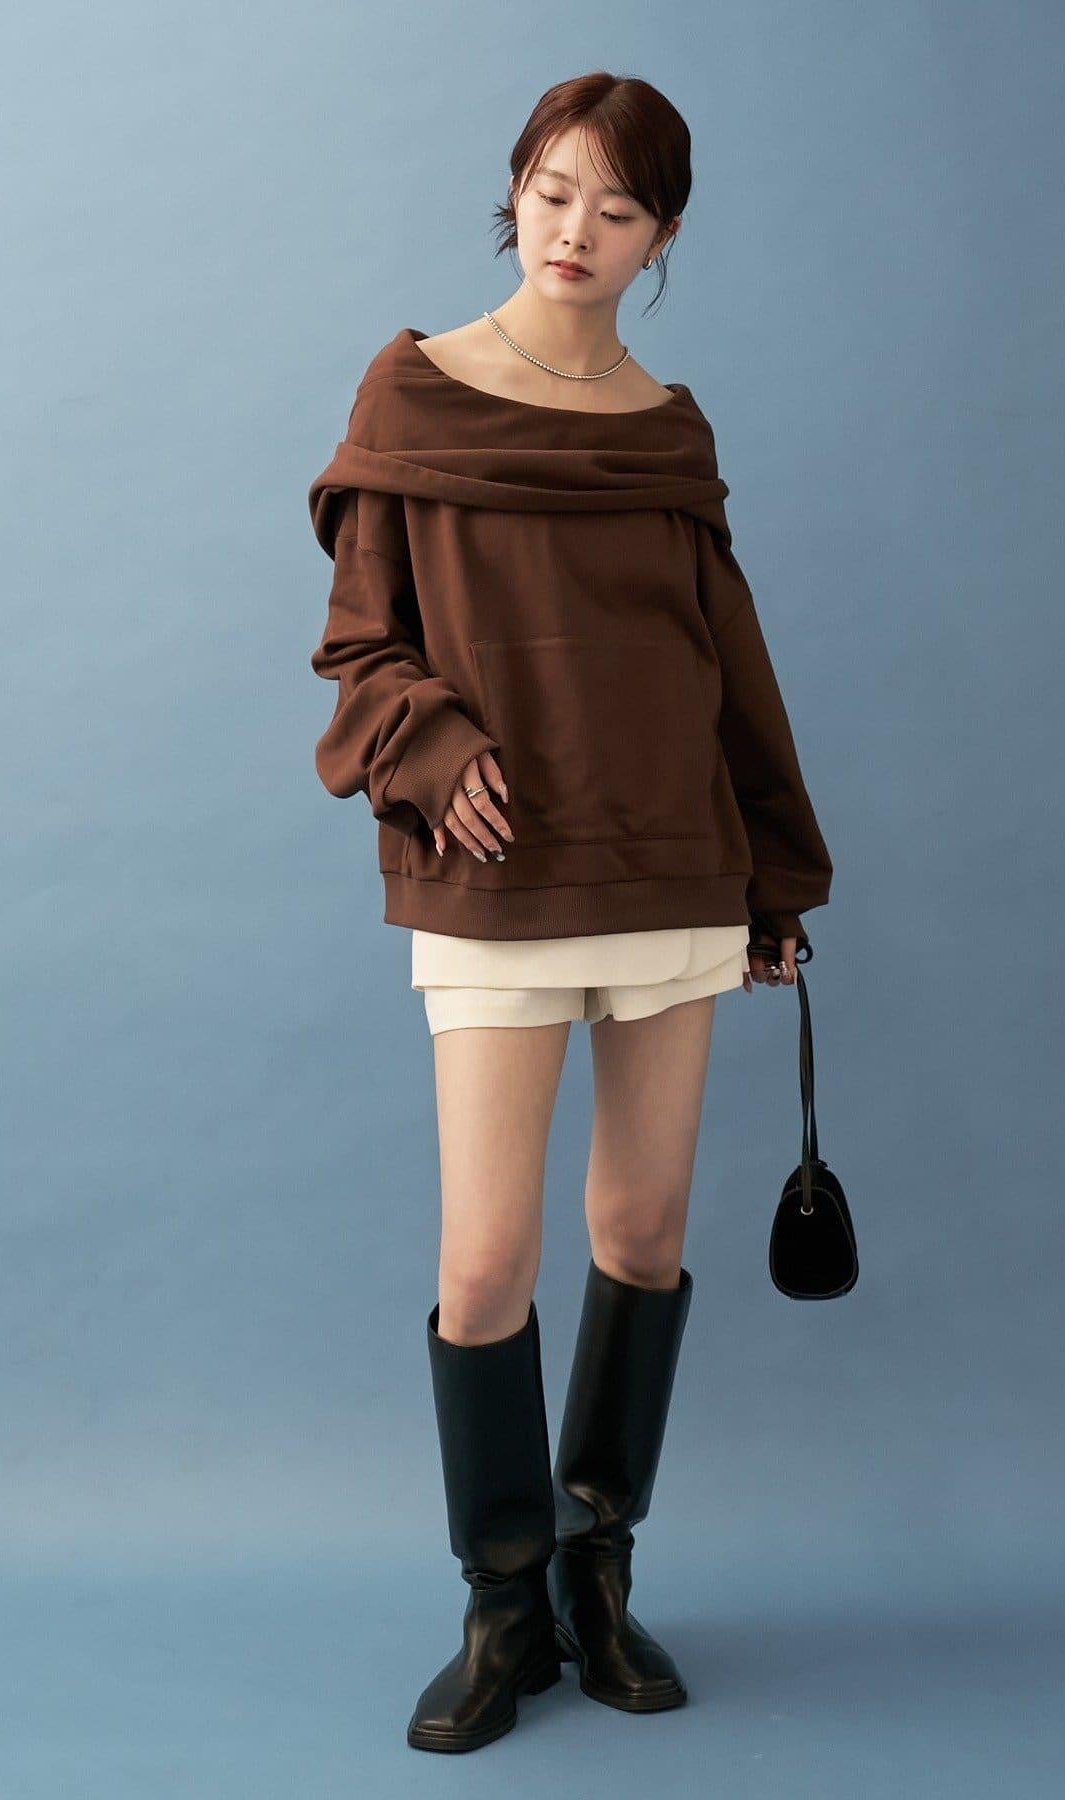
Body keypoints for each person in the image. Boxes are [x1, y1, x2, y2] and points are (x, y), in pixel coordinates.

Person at [305, 71, 833, 1753]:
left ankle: (600, 1574)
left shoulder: (669, 427)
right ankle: (502, 1600)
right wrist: (429, 741)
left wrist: (775, 876)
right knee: (484, 1262)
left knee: (643, 1234)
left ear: (662, 234)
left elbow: (728, 660)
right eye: (550, 193)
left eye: (615, 206)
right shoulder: (416, 391)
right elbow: (360, 645)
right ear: (513, 196)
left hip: (670, 861)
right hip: (496, 876)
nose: (574, 229)